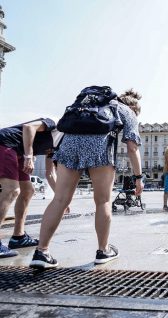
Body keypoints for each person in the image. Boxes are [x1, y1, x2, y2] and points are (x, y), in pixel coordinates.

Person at [29, 89, 144, 269]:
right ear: (134, 107)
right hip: (100, 150)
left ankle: (41, 252)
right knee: (103, 201)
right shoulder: (128, 111)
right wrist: (138, 177)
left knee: (59, 199)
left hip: (69, 146)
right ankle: (103, 250)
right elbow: (132, 148)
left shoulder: (92, 103)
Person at [0, 118, 63, 258]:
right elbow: (28, 127)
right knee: (12, 190)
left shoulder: (60, 145)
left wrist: (62, 199)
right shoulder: (55, 124)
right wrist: (29, 156)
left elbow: (50, 173)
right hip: (5, 143)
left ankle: (18, 237)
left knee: (28, 191)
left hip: (18, 152)